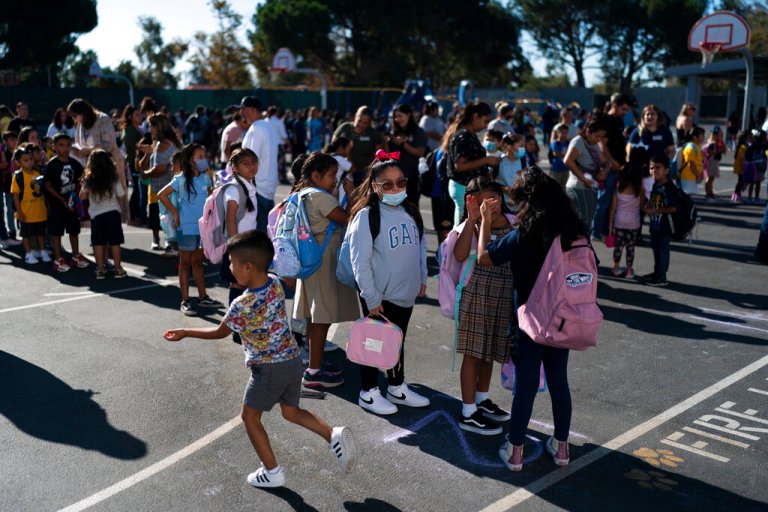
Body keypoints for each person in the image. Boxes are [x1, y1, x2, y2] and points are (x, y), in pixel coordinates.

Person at [163, 230, 355, 488]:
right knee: (291, 412)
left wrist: (186, 332)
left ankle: (272, 471)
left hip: (268, 370)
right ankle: (332, 435)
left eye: (232, 263)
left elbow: (220, 332)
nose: (230, 267)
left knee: (250, 418)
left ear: (248, 267)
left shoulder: (242, 304)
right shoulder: (274, 282)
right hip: (292, 361)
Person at [476, 166, 588, 472]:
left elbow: (484, 256)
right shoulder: (572, 228)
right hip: (564, 315)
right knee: (558, 381)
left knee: (526, 384)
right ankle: (562, 447)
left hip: (530, 319)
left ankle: (515, 451)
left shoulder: (526, 233)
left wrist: (485, 220)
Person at [347, 154, 429, 415]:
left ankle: (396, 386)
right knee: (373, 344)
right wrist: (371, 298)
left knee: (397, 340)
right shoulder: (367, 215)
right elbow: (360, 262)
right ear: (375, 187)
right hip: (380, 296)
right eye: (387, 185)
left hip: (405, 292)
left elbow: (421, 248)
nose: (396, 189)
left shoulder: (410, 210)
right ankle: (368, 392)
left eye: (400, 182)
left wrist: (422, 278)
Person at [290, 153, 361, 388]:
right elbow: (349, 219)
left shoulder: (302, 195)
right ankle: (314, 371)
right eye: (331, 175)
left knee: (314, 317)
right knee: (321, 318)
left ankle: (315, 362)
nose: (334, 180)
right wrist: (351, 193)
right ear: (315, 175)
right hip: (324, 262)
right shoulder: (321, 197)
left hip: (311, 261)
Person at [453, 178, 514, 435]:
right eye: (483, 201)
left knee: (490, 350)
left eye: (494, 198)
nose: (491, 205)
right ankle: (468, 411)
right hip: (477, 292)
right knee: (474, 353)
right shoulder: (473, 225)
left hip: (504, 292)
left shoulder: (514, 223)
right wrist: (471, 219)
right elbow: (459, 255)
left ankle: (481, 399)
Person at [159, 143, 222, 316]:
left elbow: (210, 199)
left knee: (197, 264)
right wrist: (175, 213)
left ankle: (203, 297)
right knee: (185, 264)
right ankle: (185, 301)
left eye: (204, 156)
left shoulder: (205, 178)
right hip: (186, 229)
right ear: (189, 160)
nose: (203, 160)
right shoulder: (180, 179)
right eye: (200, 157)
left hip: (202, 229)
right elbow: (161, 195)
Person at [221, 148, 260, 344]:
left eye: (254, 162)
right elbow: (230, 220)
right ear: (235, 168)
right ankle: (237, 329)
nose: (252, 166)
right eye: (246, 163)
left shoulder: (250, 185)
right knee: (238, 285)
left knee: (245, 286)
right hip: (238, 247)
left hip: (248, 245)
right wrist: (235, 249)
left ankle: (242, 326)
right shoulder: (234, 188)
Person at [67, 99, 128, 222]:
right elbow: (79, 144)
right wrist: (75, 149)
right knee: (96, 202)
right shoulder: (80, 124)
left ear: (83, 112)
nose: (74, 119)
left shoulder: (103, 119)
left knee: (114, 198)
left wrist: (88, 150)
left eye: (75, 115)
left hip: (110, 164)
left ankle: (121, 219)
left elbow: (110, 145)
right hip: (91, 166)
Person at [444, 101, 498, 225]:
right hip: (462, 186)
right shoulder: (464, 136)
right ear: (475, 117)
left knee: (466, 221)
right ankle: (458, 243)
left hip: (465, 186)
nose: (485, 126)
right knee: (463, 224)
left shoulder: (469, 134)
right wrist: (486, 160)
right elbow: (460, 166)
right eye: (485, 121)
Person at [43, 133, 88, 272]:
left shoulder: (75, 164)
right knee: (57, 233)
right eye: (61, 145)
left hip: (72, 205)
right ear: (54, 146)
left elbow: (82, 180)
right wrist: (61, 199)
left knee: (74, 230)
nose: (65, 148)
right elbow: (48, 186)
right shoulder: (51, 164)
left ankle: (76, 256)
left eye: (68, 145)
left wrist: (78, 198)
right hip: (57, 205)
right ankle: (58, 260)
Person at [79, 150, 127, 279]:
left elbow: (82, 196)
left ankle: (100, 269)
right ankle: (118, 268)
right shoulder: (113, 178)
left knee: (98, 242)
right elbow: (121, 195)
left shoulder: (89, 179)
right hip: (113, 213)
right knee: (115, 242)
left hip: (96, 215)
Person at [593, 93, 632, 242]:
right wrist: (611, 162)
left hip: (619, 166)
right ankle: (597, 232)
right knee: (604, 201)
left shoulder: (619, 121)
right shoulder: (607, 121)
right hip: (609, 168)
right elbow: (602, 144)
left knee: (612, 202)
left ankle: (605, 231)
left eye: (627, 109)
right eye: (623, 108)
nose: (625, 112)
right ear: (614, 105)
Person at [564, 113, 609, 230]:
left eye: (601, 137)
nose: (598, 140)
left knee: (585, 224)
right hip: (578, 188)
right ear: (588, 131)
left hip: (589, 188)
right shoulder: (578, 141)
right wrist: (583, 179)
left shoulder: (594, 144)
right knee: (583, 225)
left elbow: (606, 162)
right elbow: (568, 161)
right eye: (597, 136)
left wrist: (604, 171)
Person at [240, 96, 279, 232]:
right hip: (267, 187)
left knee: (255, 238)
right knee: (264, 237)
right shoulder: (267, 126)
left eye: (242, 109)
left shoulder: (256, 129)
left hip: (258, 189)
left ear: (251, 110)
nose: (240, 113)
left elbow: (249, 162)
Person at [10, 144, 50, 264]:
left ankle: (43, 251)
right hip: (26, 213)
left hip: (39, 211)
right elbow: (16, 196)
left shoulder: (38, 174)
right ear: (18, 162)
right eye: (25, 160)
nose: (29, 162)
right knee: (26, 235)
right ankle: (29, 254)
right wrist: (19, 212)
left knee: (41, 234)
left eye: (31, 159)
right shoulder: (18, 177)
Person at [643, 155, 677, 287]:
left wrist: (654, 211)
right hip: (655, 225)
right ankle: (657, 272)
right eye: (652, 168)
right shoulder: (656, 185)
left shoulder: (668, 187)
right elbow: (655, 202)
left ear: (667, 170)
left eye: (658, 168)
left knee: (663, 251)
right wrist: (648, 206)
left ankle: (662, 277)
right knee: (656, 250)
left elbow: (672, 208)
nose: (654, 171)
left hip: (665, 226)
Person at [608, 163, 645, 279]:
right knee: (630, 247)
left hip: (620, 221)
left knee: (618, 246)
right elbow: (641, 205)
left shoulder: (619, 187)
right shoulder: (639, 188)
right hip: (634, 222)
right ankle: (629, 270)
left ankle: (616, 267)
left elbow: (613, 207)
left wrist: (610, 223)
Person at [332, 106, 384, 186]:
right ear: (355, 116)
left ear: (369, 122)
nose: (361, 125)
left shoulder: (373, 133)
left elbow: (379, 155)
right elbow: (333, 145)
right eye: (359, 121)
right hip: (345, 171)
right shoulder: (345, 128)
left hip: (365, 173)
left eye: (365, 123)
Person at [388, 104, 428, 206]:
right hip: (395, 179)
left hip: (412, 179)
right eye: (396, 117)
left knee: (412, 209)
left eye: (400, 116)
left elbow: (420, 152)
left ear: (408, 115)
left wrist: (402, 144)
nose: (397, 119)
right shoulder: (394, 133)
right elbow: (390, 155)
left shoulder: (418, 132)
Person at [121, 105, 145, 226]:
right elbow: (136, 147)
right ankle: (130, 217)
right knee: (136, 190)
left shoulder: (139, 128)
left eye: (141, 114)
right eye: (137, 114)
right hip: (134, 164)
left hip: (141, 163)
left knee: (138, 190)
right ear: (130, 117)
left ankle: (136, 216)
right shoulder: (129, 130)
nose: (140, 116)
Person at [0, 131, 20, 245]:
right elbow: (4, 169)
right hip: (8, 186)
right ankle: (11, 232)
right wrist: (11, 170)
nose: (14, 142)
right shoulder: (5, 153)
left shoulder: (19, 152)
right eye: (11, 140)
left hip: (19, 186)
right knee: (10, 209)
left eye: (15, 139)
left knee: (18, 209)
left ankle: (19, 232)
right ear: (5, 142)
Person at [323, 137, 354, 205]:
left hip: (336, 191)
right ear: (341, 147)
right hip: (342, 191)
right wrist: (349, 154)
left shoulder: (331, 156)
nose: (350, 150)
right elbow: (353, 168)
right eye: (348, 147)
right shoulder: (339, 159)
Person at [497, 133, 525, 204]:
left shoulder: (523, 162)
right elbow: (492, 180)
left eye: (524, 146)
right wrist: (504, 189)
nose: (523, 148)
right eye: (520, 146)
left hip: (518, 203)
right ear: (509, 147)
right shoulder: (499, 161)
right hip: (501, 202)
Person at [678, 126, 705, 196]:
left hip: (692, 176)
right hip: (688, 176)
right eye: (702, 135)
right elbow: (691, 164)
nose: (704, 137)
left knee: (688, 196)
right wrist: (698, 175)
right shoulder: (690, 148)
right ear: (695, 137)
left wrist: (700, 173)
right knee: (686, 196)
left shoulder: (697, 146)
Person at [745, 130, 768, 204]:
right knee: (755, 182)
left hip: (758, 166)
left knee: (756, 182)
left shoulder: (760, 144)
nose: (766, 137)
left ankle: (753, 197)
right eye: (765, 136)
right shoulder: (760, 145)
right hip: (755, 166)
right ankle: (753, 197)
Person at [703, 126, 726, 200]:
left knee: (712, 178)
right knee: (709, 178)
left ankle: (710, 193)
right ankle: (708, 193)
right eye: (719, 134)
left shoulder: (718, 142)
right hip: (711, 161)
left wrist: (722, 147)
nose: (720, 136)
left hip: (715, 161)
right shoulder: (711, 143)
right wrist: (720, 150)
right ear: (714, 134)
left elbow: (725, 151)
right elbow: (710, 153)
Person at [731, 130, 751, 202]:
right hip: (741, 166)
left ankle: (736, 194)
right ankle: (737, 194)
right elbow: (743, 157)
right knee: (740, 181)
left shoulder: (741, 145)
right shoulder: (743, 147)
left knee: (740, 181)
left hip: (740, 165)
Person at [550, 125, 570, 189]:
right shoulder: (555, 143)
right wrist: (567, 155)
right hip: (556, 169)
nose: (564, 134)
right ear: (558, 132)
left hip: (565, 169)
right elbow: (556, 154)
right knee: (556, 187)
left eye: (566, 133)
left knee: (564, 187)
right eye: (563, 132)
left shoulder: (568, 143)